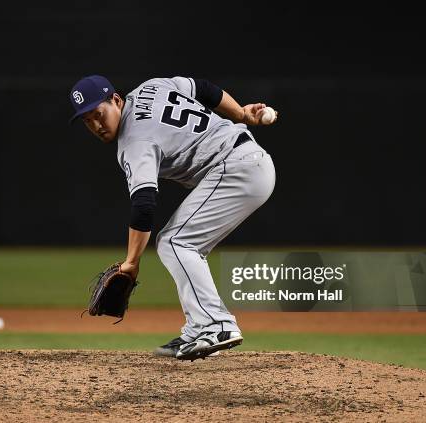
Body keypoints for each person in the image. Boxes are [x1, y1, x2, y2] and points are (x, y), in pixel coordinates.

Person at [69, 75, 277, 360]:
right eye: (87, 120)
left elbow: (143, 205)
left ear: (116, 100)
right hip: (247, 160)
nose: (96, 125)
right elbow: (204, 89)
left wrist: (131, 262)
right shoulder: (152, 86)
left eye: (99, 114)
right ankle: (199, 328)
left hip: (237, 168)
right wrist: (240, 112)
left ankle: (217, 325)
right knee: (179, 242)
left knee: (175, 243)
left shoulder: (134, 141)